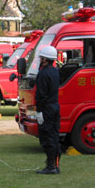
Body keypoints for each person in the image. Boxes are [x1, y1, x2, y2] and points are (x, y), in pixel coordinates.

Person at [35, 46, 61, 175]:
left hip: (47, 108)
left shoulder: (43, 73)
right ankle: (56, 164)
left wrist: (39, 111)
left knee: (47, 137)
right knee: (55, 136)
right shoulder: (56, 71)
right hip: (55, 106)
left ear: (45, 59)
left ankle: (51, 166)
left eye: (41, 57)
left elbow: (41, 94)